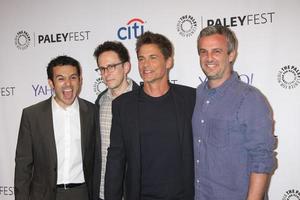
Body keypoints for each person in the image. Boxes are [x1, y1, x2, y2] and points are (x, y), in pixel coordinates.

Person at [104, 31, 195, 200]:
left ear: (168, 62)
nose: (145, 64)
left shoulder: (191, 99)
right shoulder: (122, 106)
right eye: (141, 59)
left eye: (153, 57)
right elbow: (115, 160)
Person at [193, 25, 276, 200]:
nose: (209, 58)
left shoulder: (250, 98)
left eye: (216, 51)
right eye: (203, 52)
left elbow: (262, 159)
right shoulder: (195, 96)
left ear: (231, 55)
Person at [14, 55, 98, 200]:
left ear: (80, 80)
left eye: (73, 77)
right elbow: (23, 165)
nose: (68, 84)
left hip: (82, 193)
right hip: (43, 194)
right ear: (51, 83)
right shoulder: (32, 115)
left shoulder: (92, 112)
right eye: (60, 79)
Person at [93, 41, 139, 200]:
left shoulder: (143, 100)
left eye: (111, 67)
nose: (106, 73)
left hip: (134, 191)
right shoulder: (100, 101)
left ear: (126, 67)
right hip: (103, 191)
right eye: (102, 69)